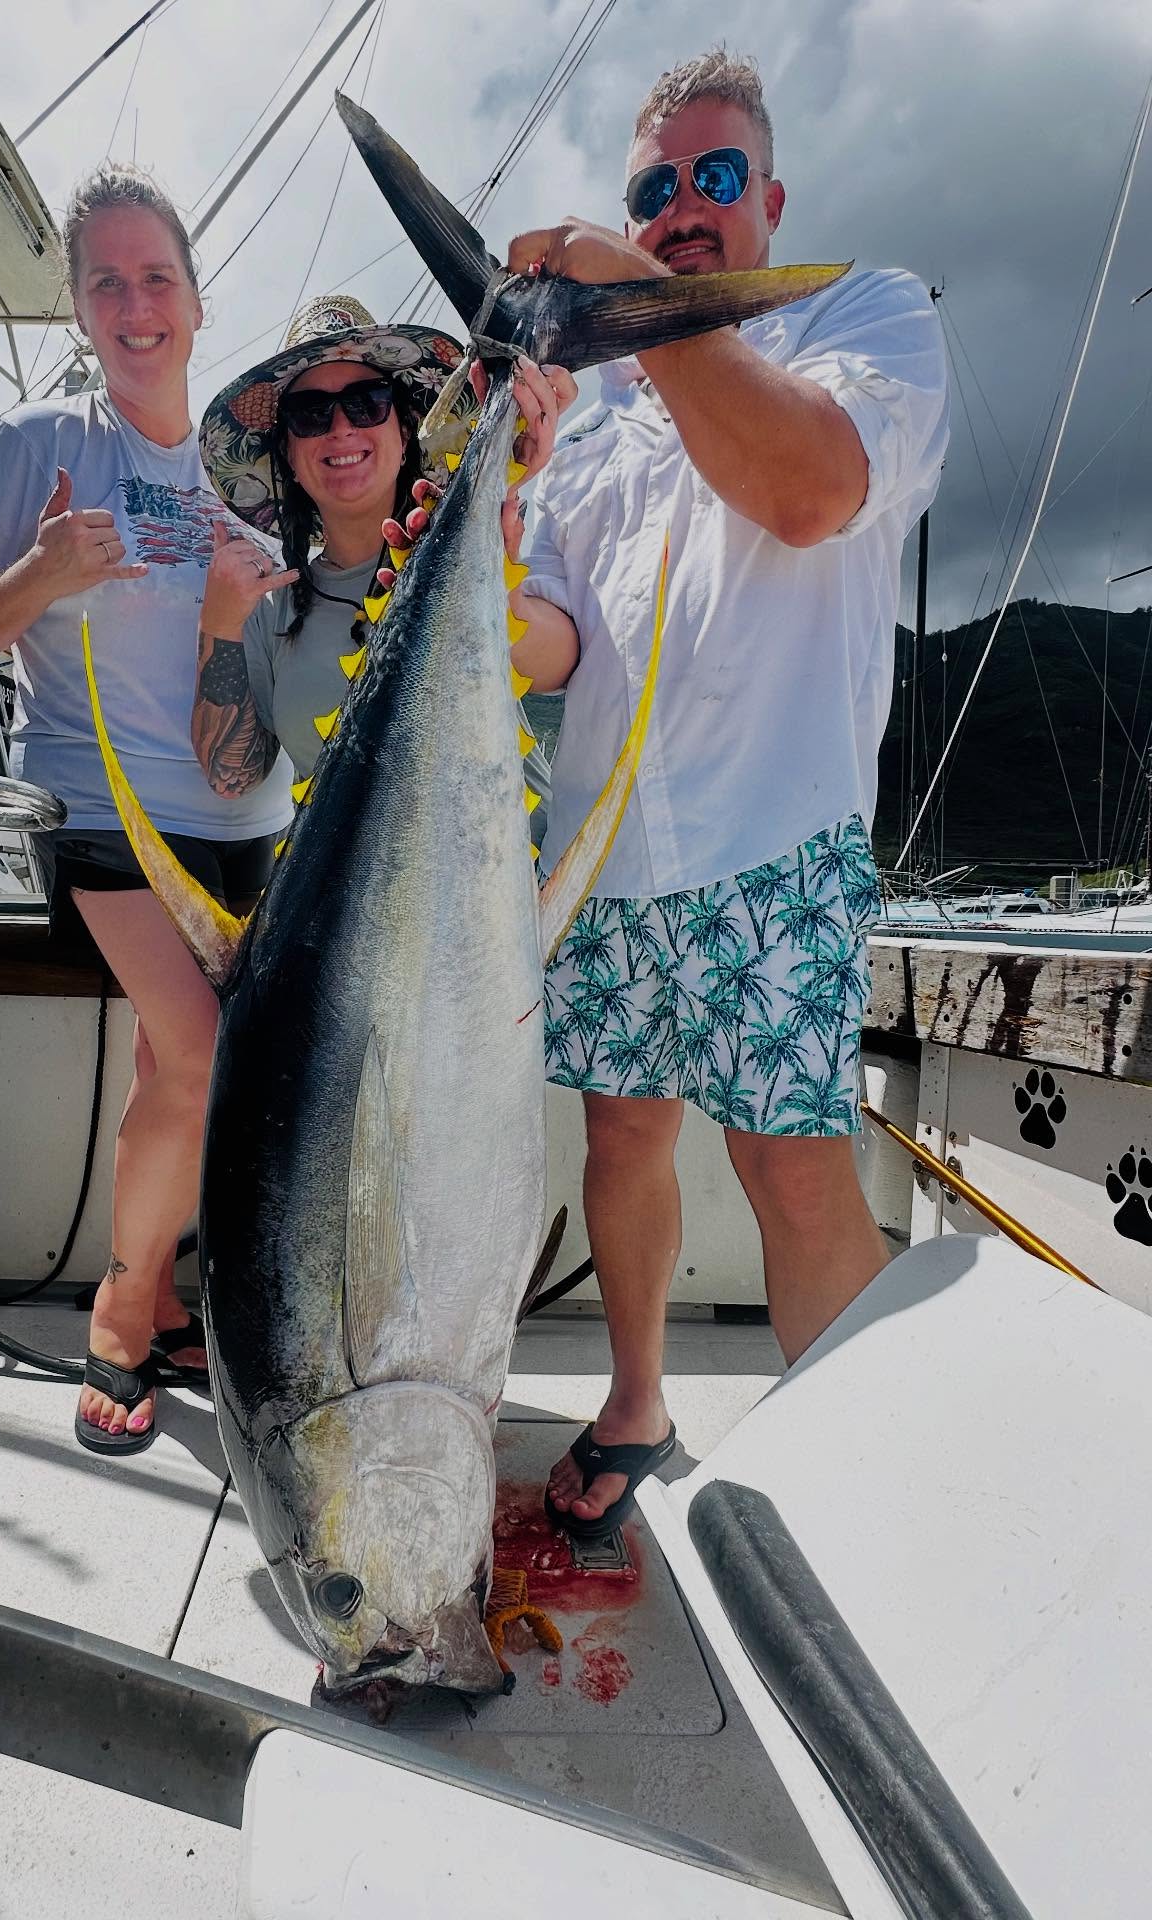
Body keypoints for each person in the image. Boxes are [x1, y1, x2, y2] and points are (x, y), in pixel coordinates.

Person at [508, 49, 951, 1538]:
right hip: (609, 857)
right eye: (652, 189)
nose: (681, 209)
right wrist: (476, 533)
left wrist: (620, 283)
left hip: (778, 839)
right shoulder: (590, 416)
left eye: (709, 181)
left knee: (792, 1167)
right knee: (621, 1135)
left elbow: (809, 488)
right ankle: (635, 1404)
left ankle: (879, 1489)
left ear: (765, 197)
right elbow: (552, 647)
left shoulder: (866, 314)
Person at [0, 165, 293, 1457]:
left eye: (158, 277)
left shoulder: (248, 473)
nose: (135, 304)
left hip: (244, 824)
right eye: (108, 281)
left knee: (170, 1071)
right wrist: (43, 568)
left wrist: (230, 622)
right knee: (198, 1056)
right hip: (98, 812)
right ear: (80, 307)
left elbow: (249, 708)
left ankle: (169, 1296)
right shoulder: (43, 445)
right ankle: (125, 1313)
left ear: (197, 300)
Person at [190, 293, 576, 803]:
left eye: (366, 402)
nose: (342, 427)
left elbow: (560, 665)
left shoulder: (486, 536)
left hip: (510, 880)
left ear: (405, 426)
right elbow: (233, 776)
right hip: (347, 886)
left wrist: (492, 592)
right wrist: (218, 624)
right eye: (310, 414)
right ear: (287, 450)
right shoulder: (269, 610)